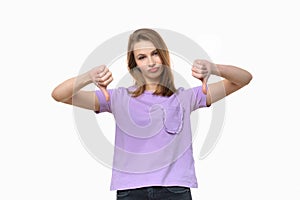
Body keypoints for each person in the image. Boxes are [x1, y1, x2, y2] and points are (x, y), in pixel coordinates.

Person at [52, 28, 252, 200]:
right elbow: (59, 95)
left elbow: (243, 79)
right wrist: (88, 77)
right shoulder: (117, 98)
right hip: (130, 191)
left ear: (163, 56)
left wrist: (214, 68)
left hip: (175, 190)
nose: (151, 62)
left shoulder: (187, 97)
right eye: (142, 57)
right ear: (134, 64)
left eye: (155, 53)